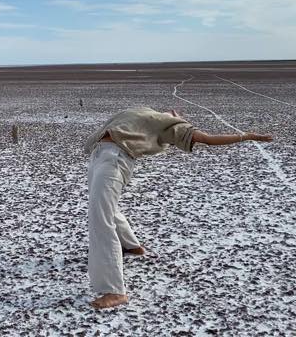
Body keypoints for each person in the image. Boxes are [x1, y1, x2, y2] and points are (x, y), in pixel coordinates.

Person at [84, 106, 273, 309]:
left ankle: (115, 290)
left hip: (115, 160)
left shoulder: (173, 127)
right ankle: (132, 246)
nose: (174, 114)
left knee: (100, 218)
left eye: (177, 117)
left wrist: (247, 137)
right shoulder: (150, 114)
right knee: (106, 208)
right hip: (100, 156)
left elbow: (207, 139)